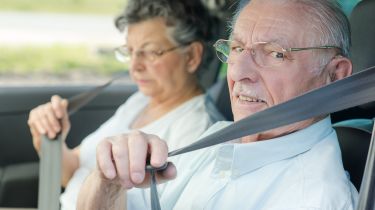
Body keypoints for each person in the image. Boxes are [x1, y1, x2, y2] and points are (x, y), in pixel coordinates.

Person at [77, 0, 359, 209]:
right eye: (237, 49)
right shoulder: (217, 138)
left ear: (334, 76)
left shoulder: (316, 198)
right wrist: (108, 182)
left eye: (276, 54)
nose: (238, 73)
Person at [27, 0, 223, 209]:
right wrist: (48, 139)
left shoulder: (198, 132)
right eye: (130, 52)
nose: (135, 66)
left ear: (192, 56)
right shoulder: (140, 102)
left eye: (150, 52)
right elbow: (75, 172)